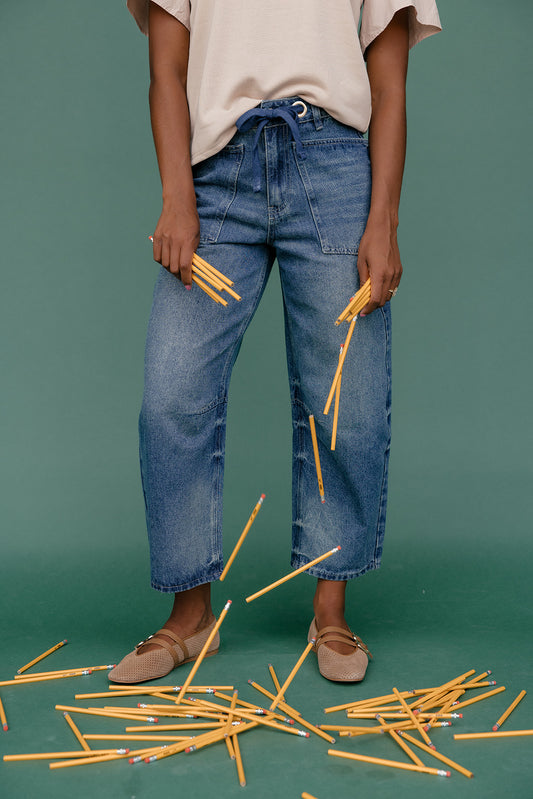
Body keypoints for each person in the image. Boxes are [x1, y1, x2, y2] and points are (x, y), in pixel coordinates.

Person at [110, 0, 441, 684]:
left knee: (344, 400)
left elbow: (389, 85)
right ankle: (190, 616)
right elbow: (166, 70)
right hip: (215, 170)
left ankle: (331, 611)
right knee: (172, 394)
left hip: (334, 167)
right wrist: (175, 195)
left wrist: (384, 220)